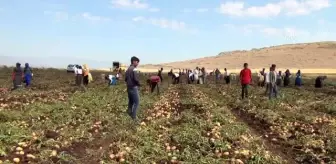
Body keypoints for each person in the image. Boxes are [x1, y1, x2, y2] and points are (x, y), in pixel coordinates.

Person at [125, 56, 141, 121]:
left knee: (131, 101)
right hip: (133, 88)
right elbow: (136, 79)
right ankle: (134, 116)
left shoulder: (128, 69)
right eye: (137, 62)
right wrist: (139, 84)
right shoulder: (134, 69)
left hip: (128, 87)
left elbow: (125, 79)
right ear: (134, 61)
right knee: (136, 102)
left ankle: (129, 112)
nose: (137, 64)